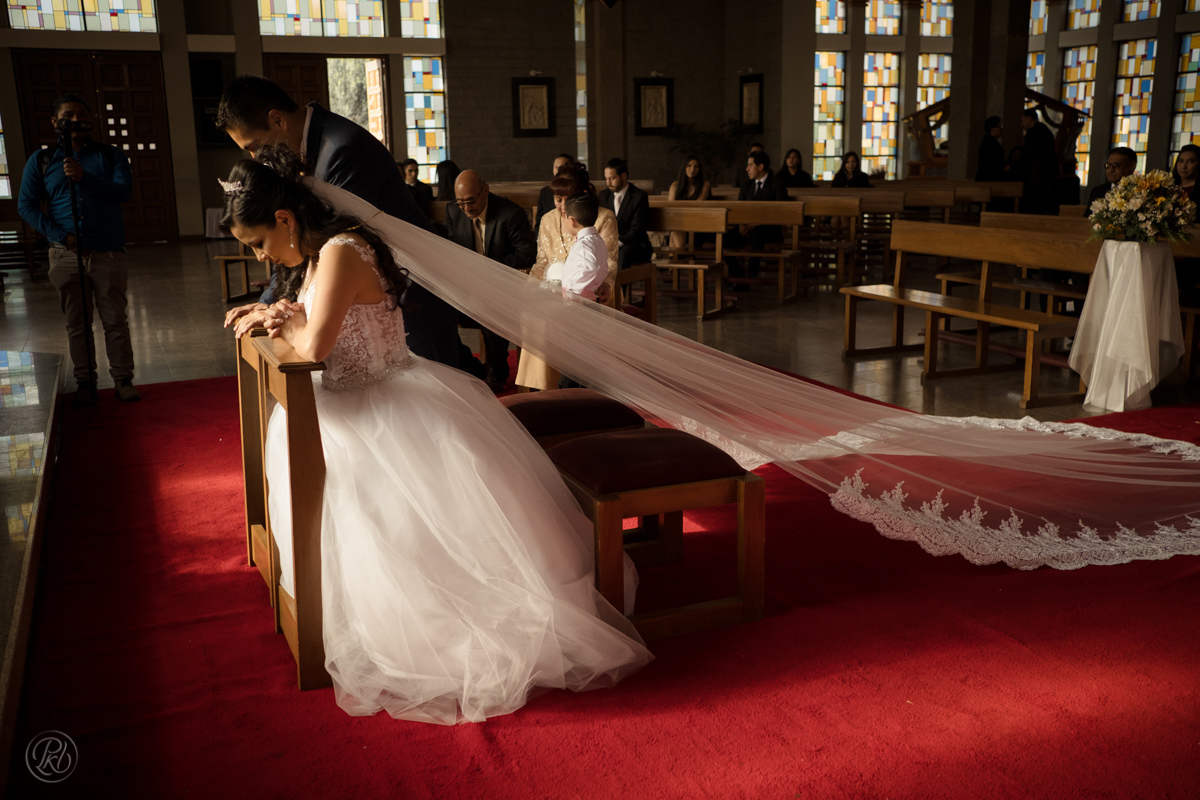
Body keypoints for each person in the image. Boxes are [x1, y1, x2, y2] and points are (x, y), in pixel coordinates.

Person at [222, 147, 651, 724]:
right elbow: (314, 321)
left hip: (383, 401)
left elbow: (315, 348)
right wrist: (275, 312)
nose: (261, 256)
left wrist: (281, 319)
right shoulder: (325, 251)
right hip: (362, 396)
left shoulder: (342, 252)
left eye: (257, 243)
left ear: (285, 219)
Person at [215, 75, 460, 370]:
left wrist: (271, 305)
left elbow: (314, 235)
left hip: (413, 296)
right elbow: (293, 233)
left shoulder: (344, 149)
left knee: (446, 393)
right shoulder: (309, 148)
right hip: (374, 299)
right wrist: (270, 299)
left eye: (254, 146)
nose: (257, 158)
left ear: (278, 120)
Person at [18, 93, 136, 406]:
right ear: (55, 122)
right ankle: (85, 381)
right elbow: (26, 205)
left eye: (82, 114)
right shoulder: (41, 161)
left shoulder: (110, 156)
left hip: (107, 252)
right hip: (65, 252)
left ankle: (123, 379)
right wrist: (60, 235)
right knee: (77, 323)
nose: (76, 120)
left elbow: (123, 192)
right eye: (68, 115)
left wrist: (85, 179)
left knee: (115, 320)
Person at [516, 163, 619, 391]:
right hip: (553, 292)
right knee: (536, 316)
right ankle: (543, 389)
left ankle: (574, 387)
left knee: (562, 320)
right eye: (557, 199)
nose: (561, 207)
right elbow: (541, 261)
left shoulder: (603, 218)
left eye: (567, 199)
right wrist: (529, 289)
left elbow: (609, 259)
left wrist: (606, 285)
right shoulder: (547, 220)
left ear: (582, 195)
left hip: (591, 294)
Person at [444, 170, 537, 392]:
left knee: (489, 311)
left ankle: (498, 371)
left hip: (503, 286)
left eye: (470, 201)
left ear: (485, 190)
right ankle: (466, 368)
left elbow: (527, 254)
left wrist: (486, 267)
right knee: (436, 308)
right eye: (460, 203)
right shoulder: (453, 212)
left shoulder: (510, 213)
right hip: (466, 284)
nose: (466, 209)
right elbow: (449, 249)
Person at [727, 150, 787, 282]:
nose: (747, 169)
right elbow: (740, 209)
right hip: (747, 228)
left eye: (750, 165)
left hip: (770, 229)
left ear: (760, 167)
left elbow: (780, 212)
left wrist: (756, 224)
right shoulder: (746, 184)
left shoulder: (777, 184)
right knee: (724, 239)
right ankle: (738, 276)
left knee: (757, 233)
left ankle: (751, 277)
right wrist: (741, 224)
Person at [597, 158, 652, 271]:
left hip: (635, 244)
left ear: (623, 176)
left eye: (612, 178)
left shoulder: (639, 196)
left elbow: (638, 229)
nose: (608, 183)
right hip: (609, 243)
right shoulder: (604, 195)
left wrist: (617, 243)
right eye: (606, 178)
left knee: (621, 254)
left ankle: (620, 289)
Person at [1172, 144, 1200, 301]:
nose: (1184, 166)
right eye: (1181, 161)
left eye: (1190, 161)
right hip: (1169, 245)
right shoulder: (1166, 189)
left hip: (1192, 249)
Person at [1018, 108, 1059, 215]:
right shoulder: (1044, 129)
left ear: (1029, 118)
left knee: (1035, 207)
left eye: (1023, 120)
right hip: (1045, 176)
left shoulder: (1033, 132)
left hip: (1036, 177)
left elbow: (1028, 154)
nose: (1022, 124)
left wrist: (1015, 165)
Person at [667, 156, 712, 250]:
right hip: (680, 225)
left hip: (699, 226)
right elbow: (670, 208)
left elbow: (697, 206)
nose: (692, 169)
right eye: (689, 166)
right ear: (684, 168)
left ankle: (676, 259)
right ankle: (678, 257)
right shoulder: (675, 186)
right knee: (675, 227)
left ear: (699, 169)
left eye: (696, 167)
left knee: (675, 229)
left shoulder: (705, 185)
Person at [1084, 147, 1137, 212]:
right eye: (1108, 165)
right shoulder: (1097, 192)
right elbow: (1087, 218)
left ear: (1131, 166)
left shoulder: (1139, 192)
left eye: (1116, 165)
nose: (1110, 170)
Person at [536, 152, 576, 229]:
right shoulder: (545, 192)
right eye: (556, 167)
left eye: (561, 167)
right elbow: (539, 223)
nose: (558, 170)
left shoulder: (575, 189)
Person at [975, 116, 1006, 183]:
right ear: (992, 129)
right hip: (990, 180)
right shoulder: (989, 143)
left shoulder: (989, 142)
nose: (1001, 129)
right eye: (999, 126)